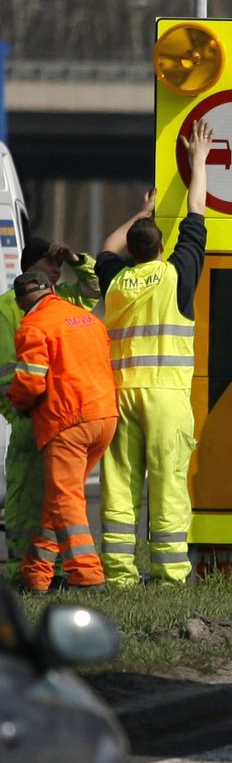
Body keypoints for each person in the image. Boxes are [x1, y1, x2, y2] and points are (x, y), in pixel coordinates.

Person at [94, 118, 213, 587]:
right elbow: (197, 213)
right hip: (165, 395)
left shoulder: (116, 280)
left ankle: (120, 573)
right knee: (167, 481)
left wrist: (141, 212)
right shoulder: (176, 275)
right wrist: (198, 161)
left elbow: (107, 245)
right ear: (162, 246)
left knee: (120, 484)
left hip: (120, 395)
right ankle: (169, 571)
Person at [0, 233, 107, 569]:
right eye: (50, 262)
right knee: (28, 497)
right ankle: (23, 567)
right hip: (30, 415)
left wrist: (76, 259)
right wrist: (18, 415)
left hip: (62, 418)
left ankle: (51, 568)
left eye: (59, 264)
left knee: (59, 499)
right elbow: (6, 371)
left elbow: (97, 287)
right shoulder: (7, 308)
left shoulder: (62, 300)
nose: (56, 270)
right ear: (29, 266)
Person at [8, 271, 118, 593]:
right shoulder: (85, 319)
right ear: (53, 290)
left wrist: (16, 402)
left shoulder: (32, 327)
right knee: (61, 497)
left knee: (65, 499)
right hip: (104, 417)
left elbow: (30, 381)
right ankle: (36, 575)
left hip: (67, 420)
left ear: (19, 303)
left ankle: (86, 576)